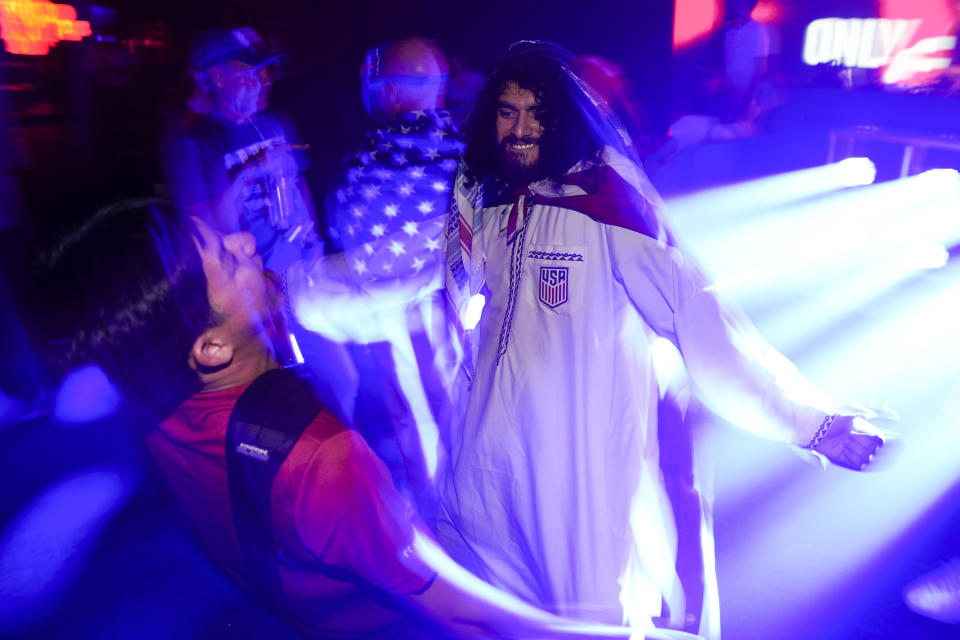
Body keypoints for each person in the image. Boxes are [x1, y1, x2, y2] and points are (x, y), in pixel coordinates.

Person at [32, 199, 701, 640]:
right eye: (227, 259)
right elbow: (466, 612)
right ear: (208, 349)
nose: (244, 240)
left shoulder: (153, 403)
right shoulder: (323, 459)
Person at [436, 41, 886, 639]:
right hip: (485, 469)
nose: (519, 129)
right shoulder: (486, 204)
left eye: (536, 114)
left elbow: (705, 323)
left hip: (577, 480)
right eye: (507, 111)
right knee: (490, 614)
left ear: (562, 119)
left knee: (590, 621)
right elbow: (455, 310)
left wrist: (809, 422)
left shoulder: (609, 206)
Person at [315, 37, 463, 519]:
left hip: (406, 334)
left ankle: (443, 532)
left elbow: (340, 237)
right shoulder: (476, 148)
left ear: (390, 92)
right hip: (485, 329)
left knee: (418, 425)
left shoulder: (359, 168)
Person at [166, 26, 319, 271]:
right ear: (218, 77)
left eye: (267, 69)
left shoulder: (277, 124)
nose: (266, 80)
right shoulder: (193, 145)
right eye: (253, 70)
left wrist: (315, 244)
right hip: (255, 284)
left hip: (304, 268)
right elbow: (204, 233)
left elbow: (300, 186)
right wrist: (250, 171)